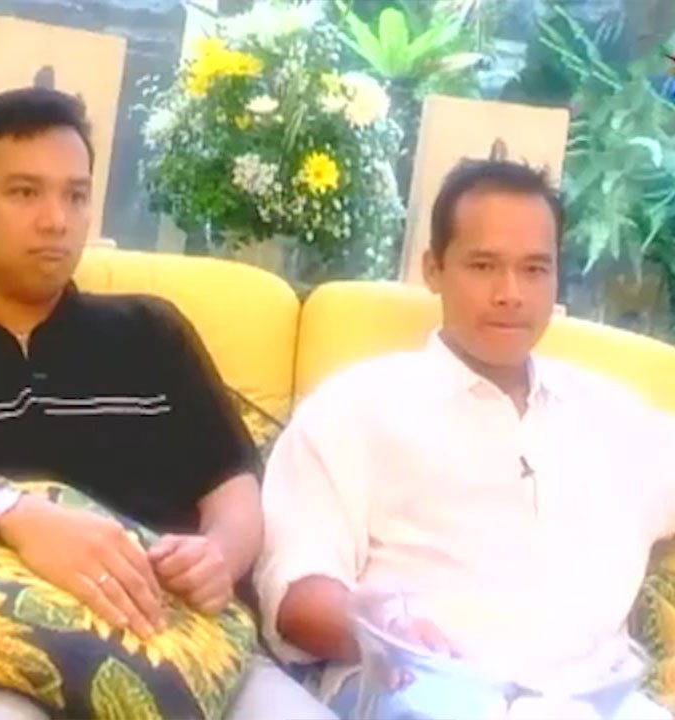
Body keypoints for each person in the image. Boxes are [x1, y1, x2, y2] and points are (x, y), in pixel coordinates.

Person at [0, 87, 335, 719]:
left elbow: (232, 484)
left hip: (184, 643)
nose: (56, 221)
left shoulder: (152, 333)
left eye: (76, 195)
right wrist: (17, 518)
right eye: (25, 193)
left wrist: (219, 556)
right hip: (11, 666)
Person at [254, 159, 675, 719]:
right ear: (433, 269)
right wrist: (386, 635)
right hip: (422, 692)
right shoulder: (355, 407)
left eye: (534, 269)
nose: (510, 294)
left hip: (597, 701)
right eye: (483, 266)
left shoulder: (615, 416)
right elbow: (296, 593)